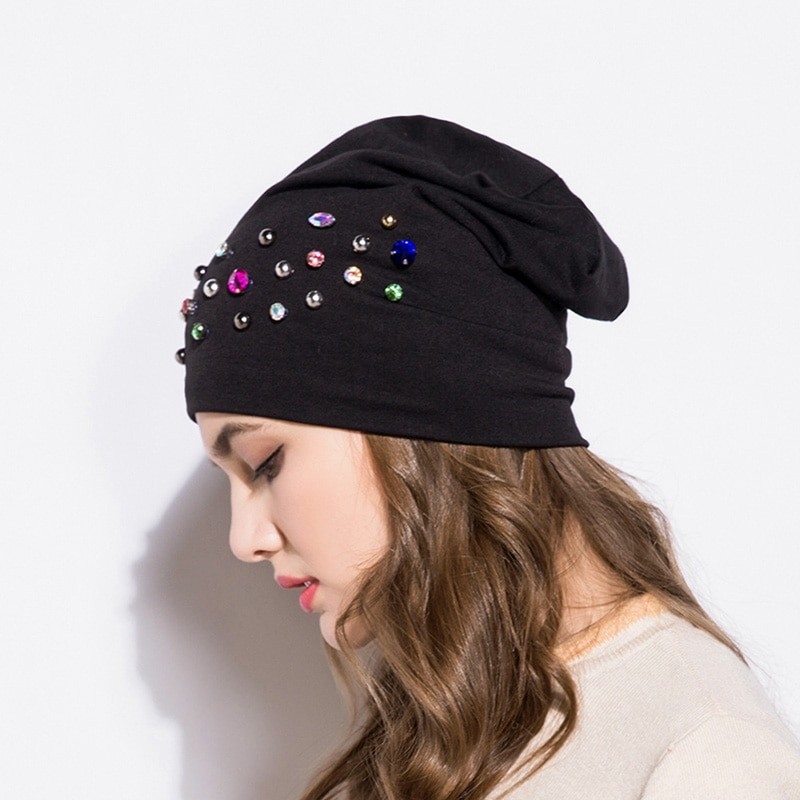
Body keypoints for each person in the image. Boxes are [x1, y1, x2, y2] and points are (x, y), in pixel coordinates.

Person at [175, 115, 800, 799]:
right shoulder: (445, 728)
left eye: (266, 462)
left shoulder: (704, 756)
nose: (244, 540)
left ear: (427, 418)